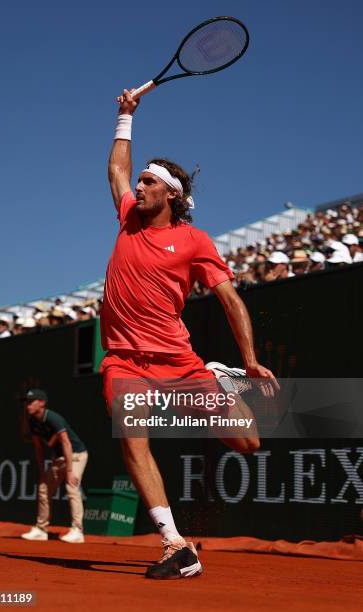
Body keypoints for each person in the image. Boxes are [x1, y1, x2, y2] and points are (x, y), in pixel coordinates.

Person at [100, 89, 279, 579]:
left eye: (148, 182)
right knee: (132, 439)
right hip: (123, 359)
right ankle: (175, 544)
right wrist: (125, 117)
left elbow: (230, 300)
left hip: (177, 364)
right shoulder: (128, 219)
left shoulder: (196, 241)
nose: (137, 186)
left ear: (171, 194)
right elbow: (116, 170)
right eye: (139, 181)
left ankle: (218, 379)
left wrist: (250, 359)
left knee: (248, 444)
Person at [21, 388, 88, 543]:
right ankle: (41, 529)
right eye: (27, 402)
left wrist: (70, 471)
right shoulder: (32, 421)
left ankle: (77, 531)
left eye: (31, 402)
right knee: (44, 489)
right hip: (58, 459)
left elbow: (66, 443)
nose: (28, 405)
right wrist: (42, 471)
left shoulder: (53, 418)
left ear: (42, 403)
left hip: (76, 455)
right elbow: (38, 448)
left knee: (72, 488)